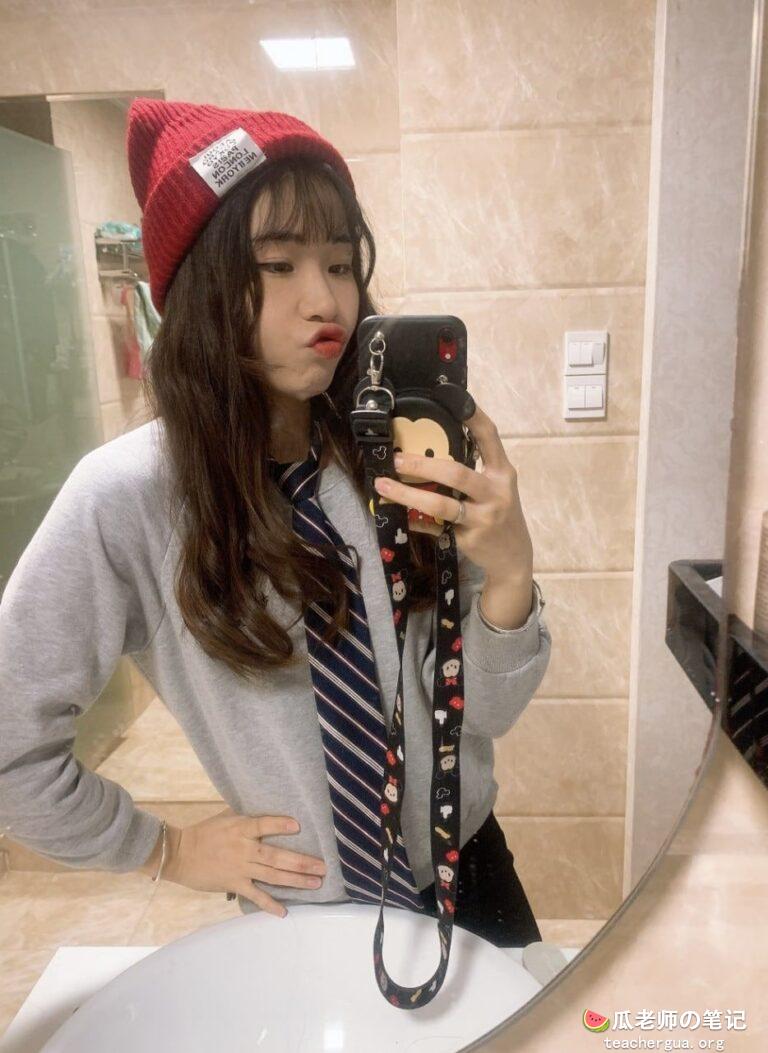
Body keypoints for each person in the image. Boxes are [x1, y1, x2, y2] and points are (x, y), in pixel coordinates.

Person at [0, 98, 551, 948]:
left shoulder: (399, 454)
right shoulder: (128, 498)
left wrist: (509, 577)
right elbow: (11, 749)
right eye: (279, 263)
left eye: (340, 262)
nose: (325, 298)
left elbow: (482, 714)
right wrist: (164, 848)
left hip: (467, 865)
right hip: (304, 913)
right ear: (203, 284)